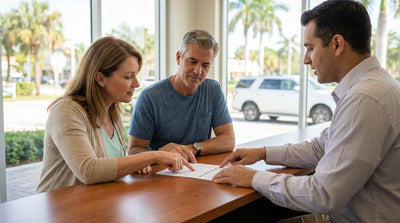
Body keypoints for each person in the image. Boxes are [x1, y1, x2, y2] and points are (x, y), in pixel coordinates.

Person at [213, 0, 400, 222]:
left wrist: (254, 178)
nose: (305, 60)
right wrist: (262, 153)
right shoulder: (374, 85)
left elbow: (324, 195)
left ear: (337, 44)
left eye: (310, 48)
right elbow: (321, 147)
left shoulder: (364, 98)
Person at [36, 37, 193, 193]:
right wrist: (153, 156)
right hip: (62, 212)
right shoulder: (66, 111)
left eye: (136, 75)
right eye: (128, 76)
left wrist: (136, 163)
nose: (137, 84)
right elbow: (89, 171)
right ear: (100, 78)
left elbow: (111, 164)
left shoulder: (112, 111)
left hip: (98, 205)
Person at [128, 30, 235, 169]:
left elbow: (228, 140)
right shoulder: (150, 97)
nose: (198, 71)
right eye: (192, 61)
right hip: (161, 175)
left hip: (197, 170)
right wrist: (162, 155)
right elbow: (133, 151)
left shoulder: (212, 89)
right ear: (179, 57)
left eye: (205, 65)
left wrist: (192, 148)